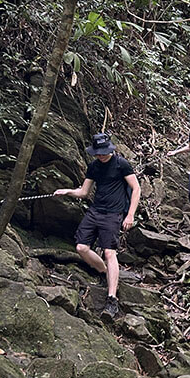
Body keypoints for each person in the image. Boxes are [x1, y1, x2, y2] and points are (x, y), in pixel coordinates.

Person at [54, 133, 140, 320]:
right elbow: (84, 192)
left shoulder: (121, 164)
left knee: (110, 252)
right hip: (95, 211)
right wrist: (67, 191)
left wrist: (130, 214)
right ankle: (104, 271)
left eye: (103, 152)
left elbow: (136, 188)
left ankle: (112, 298)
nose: (101, 156)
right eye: (98, 153)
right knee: (81, 247)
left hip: (113, 214)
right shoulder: (93, 167)